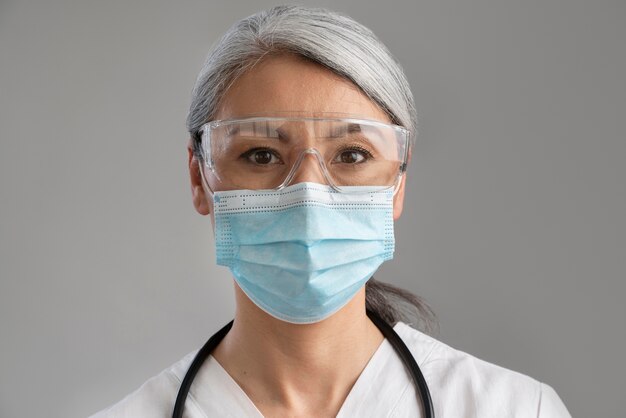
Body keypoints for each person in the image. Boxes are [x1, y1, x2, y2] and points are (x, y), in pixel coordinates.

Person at [92, 6, 571, 417]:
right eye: (260, 154)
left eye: (353, 155)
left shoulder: (512, 409)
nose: (308, 196)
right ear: (200, 179)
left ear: (398, 183)